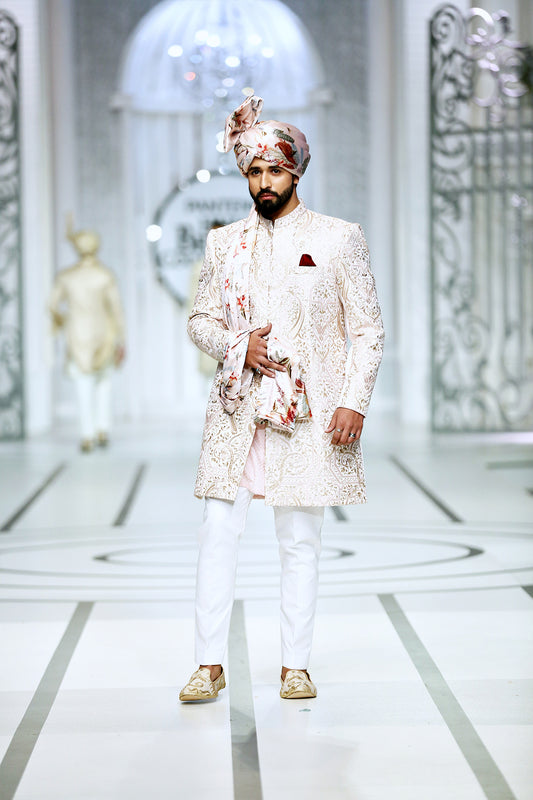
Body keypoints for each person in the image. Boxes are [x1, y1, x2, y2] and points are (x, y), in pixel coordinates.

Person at [180, 95, 384, 702]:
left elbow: (368, 328)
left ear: (296, 170)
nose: (263, 182)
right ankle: (207, 664)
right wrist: (238, 346)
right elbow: (199, 320)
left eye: (274, 170)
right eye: (252, 171)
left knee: (300, 539)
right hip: (239, 409)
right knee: (218, 530)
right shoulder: (224, 244)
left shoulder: (338, 239)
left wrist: (355, 400)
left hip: (311, 414)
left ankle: (296, 665)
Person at [49, 219, 126, 452]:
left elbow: (52, 305)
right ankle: (102, 429)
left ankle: (87, 434)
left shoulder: (66, 277)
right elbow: (116, 309)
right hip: (104, 333)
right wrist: (121, 338)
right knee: (104, 383)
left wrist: (63, 322)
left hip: (77, 334)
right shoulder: (105, 275)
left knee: (83, 384)